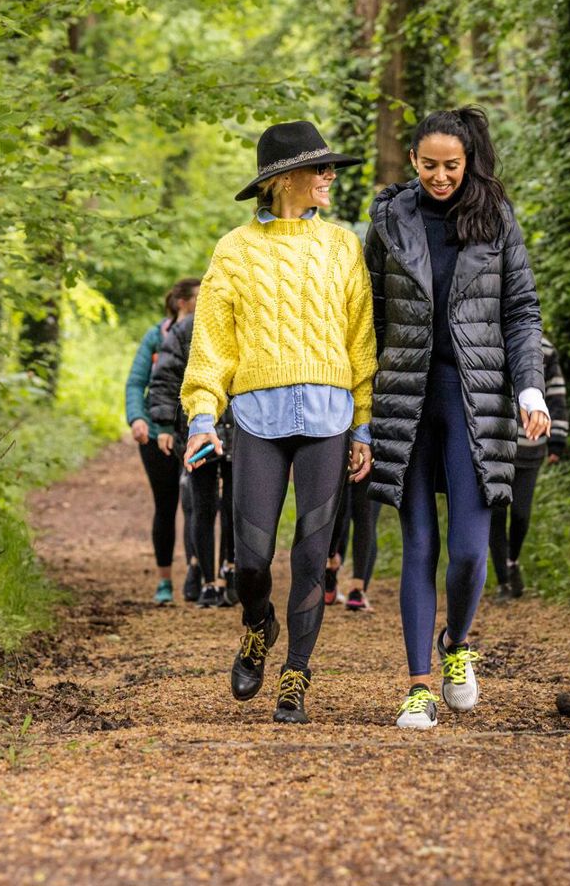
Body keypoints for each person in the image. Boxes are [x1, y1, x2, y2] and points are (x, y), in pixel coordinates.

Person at [181, 119, 377, 725]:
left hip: (329, 419)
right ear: (282, 178)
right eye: (320, 169)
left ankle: (296, 672)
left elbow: (361, 341)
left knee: (314, 551)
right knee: (254, 558)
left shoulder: (344, 245)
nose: (330, 177)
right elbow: (211, 346)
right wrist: (201, 417)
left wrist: (363, 426)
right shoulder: (234, 250)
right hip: (257, 419)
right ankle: (256, 623)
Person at [366, 106, 549, 731]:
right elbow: (371, 315)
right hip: (407, 399)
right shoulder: (391, 218)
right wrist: (363, 406)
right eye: (428, 165)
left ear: (468, 160)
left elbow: (521, 309)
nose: (440, 177)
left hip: (479, 399)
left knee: (471, 552)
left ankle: (458, 643)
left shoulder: (494, 217)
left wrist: (530, 390)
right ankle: (418, 685)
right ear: (412, 161)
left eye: (451, 165)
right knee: (419, 543)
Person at [150, 312, 236, 607]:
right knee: (203, 505)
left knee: (235, 506)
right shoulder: (186, 328)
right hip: (199, 429)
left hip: (242, 430)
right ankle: (208, 581)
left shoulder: (247, 317)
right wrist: (162, 425)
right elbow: (165, 377)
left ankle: (230, 571)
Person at [124, 278, 198, 605]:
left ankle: (200, 575)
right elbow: (136, 382)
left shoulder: (211, 331)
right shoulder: (156, 336)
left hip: (196, 433)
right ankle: (164, 580)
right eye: (199, 296)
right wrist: (137, 418)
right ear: (182, 302)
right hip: (156, 435)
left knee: (198, 506)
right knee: (166, 505)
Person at [489, 335, 568, 598]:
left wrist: (556, 440)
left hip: (531, 446)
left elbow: (556, 396)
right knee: (496, 514)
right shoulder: (489, 343)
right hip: (495, 447)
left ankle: (512, 561)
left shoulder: (546, 349)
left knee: (521, 514)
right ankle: (503, 581)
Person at [325, 478, 379, 611]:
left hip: (341, 459)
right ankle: (357, 591)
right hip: (373, 460)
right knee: (365, 513)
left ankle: (330, 574)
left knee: (341, 508)